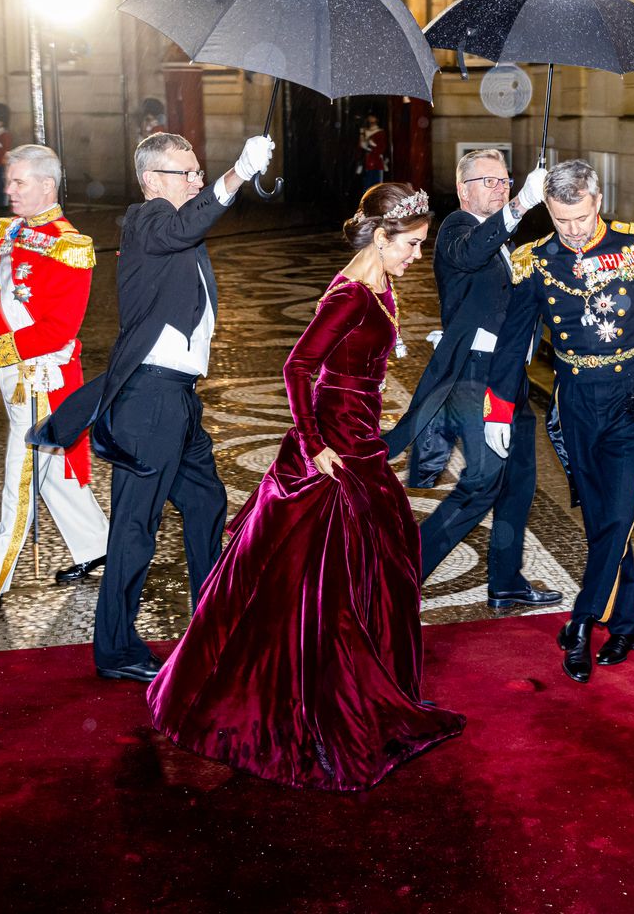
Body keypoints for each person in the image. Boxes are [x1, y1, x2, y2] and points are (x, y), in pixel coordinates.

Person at [147, 183, 465, 791]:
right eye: (413, 245)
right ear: (382, 236)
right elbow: (297, 365)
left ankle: (368, 678)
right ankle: (325, 695)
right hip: (336, 448)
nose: (417, 256)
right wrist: (314, 441)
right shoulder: (349, 296)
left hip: (360, 437)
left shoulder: (380, 286)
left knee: (381, 557)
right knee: (331, 569)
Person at [31, 131, 274, 682]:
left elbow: (189, 233)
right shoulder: (145, 220)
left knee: (207, 503)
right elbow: (185, 224)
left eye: (198, 172)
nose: (195, 180)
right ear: (151, 181)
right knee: (136, 527)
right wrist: (234, 176)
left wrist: (221, 185)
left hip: (179, 401)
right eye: (184, 173)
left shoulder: (177, 231)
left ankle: (217, 621)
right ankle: (115, 650)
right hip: (149, 402)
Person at [482, 160, 634, 684]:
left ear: (597, 200)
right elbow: (514, 341)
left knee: (621, 511)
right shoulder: (534, 262)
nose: (574, 230)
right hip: (576, 401)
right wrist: (499, 407)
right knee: (604, 516)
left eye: (581, 216)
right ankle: (627, 625)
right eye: (562, 221)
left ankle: (582, 622)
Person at [383, 149, 562, 609]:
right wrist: (521, 203)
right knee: (483, 482)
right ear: (463, 189)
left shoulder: (503, 239)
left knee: (518, 482)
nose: (500, 188)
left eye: (506, 181)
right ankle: (403, 575)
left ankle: (506, 583)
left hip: (508, 377)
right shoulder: (456, 232)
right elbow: (473, 251)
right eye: (490, 182)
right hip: (474, 380)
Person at [0, 145, 108, 618]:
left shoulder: (71, 246)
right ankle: (97, 544)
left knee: (21, 479)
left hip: (42, 380)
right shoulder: (8, 230)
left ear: (47, 186)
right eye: (9, 182)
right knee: (49, 472)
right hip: (10, 375)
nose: (8, 191)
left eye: (19, 183)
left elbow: (57, 330)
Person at [358, 113, 388, 188]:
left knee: (377, 188)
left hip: (376, 164)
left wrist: (371, 146)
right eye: (369, 117)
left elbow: (381, 148)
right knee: (366, 188)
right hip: (366, 164)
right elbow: (360, 148)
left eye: (373, 117)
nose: (371, 119)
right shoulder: (364, 131)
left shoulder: (380, 132)